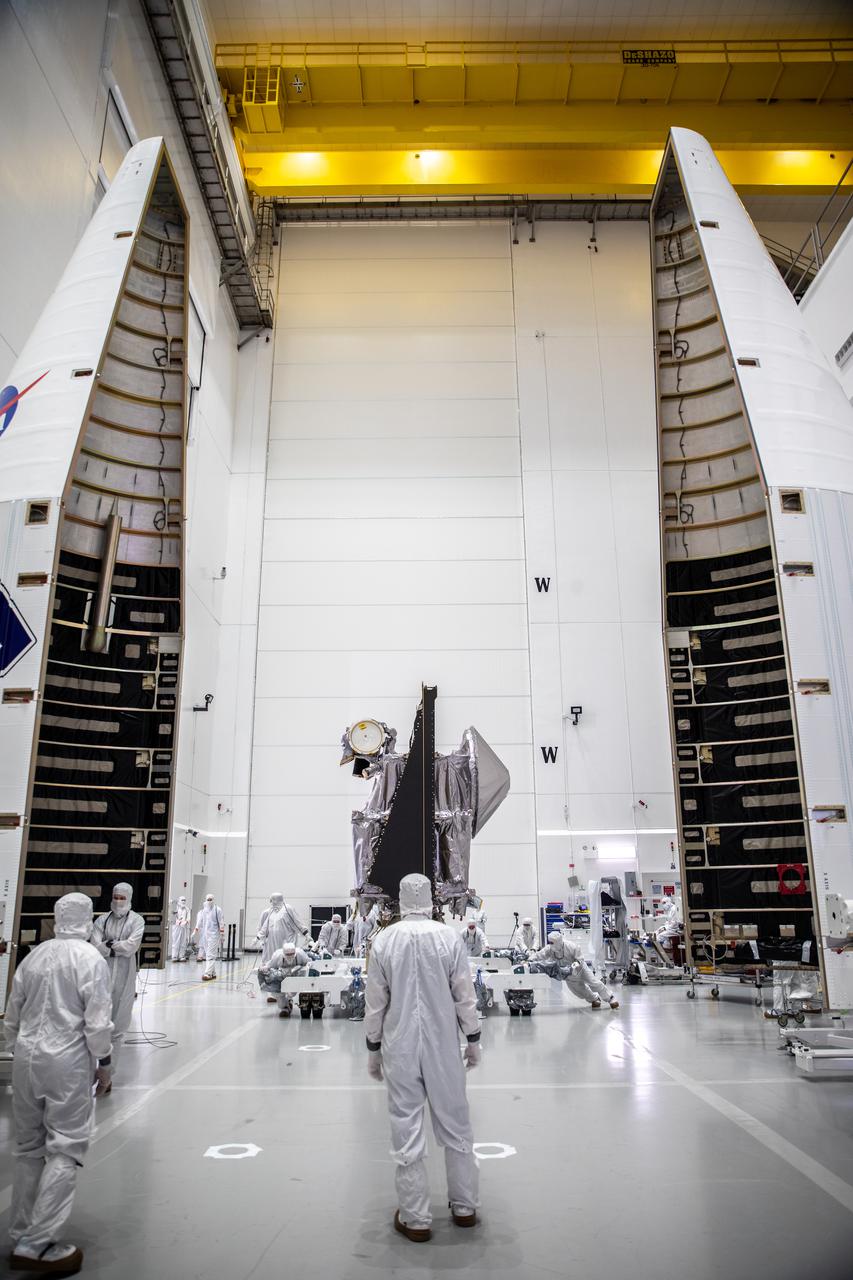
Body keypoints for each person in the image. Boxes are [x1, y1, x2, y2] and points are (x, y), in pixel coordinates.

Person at [365, 873, 481, 1243]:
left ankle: (416, 1218)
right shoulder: (449, 937)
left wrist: (372, 1048)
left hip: (399, 1046)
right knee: (455, 1121)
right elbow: (465, 994)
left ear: (400, 899)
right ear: (431, 899)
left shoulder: (384, 940)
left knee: (406, 1123)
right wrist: (473, 1038)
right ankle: (464, 1208)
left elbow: (375, 1003)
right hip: (444, 1044)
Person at [5, 892, 113, 1275]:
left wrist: (15, 1051)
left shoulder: (34, 956)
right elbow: (97, 1024)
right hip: (65, 1064)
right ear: (88, 919)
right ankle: (37, 1244)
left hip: (25, 1060)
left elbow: (12, 1014)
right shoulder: (90, 959)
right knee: (65, 1148)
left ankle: (21, 1232)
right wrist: (105, 1063)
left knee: (29, 1147)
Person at [90, 882, 145, 1079]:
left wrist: (109, 946)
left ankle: (107, 1073)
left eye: (122, 897)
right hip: (102, 974)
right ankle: (92, 1069)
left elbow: (131, 946)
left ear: (129, 898)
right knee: (95, 1022)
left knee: (119, 1024)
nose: (118, 901)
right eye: (116, 897)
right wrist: (113, 947)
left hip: (125, 975)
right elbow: (95, 946)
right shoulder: (102, 920)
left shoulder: (137, 921)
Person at [532, 930, 619, 1010]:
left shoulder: (571, 946)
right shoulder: (549, 949)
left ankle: (610, 998)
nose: (551, 944)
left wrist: (574, 966)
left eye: (553, 942)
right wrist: (529, 959)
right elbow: (539, 955)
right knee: (578, 991)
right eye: (550, 942)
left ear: (559, 941)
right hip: (567, 974)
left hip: (581, 969)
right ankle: (594, 999)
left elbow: (580, 959)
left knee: (594, 982)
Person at [259, 942, 310, 1017]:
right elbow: (270, 966)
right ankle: (284, 1008)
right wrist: (264, 968)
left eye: (291, 954)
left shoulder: (300, 954)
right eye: (287, 955)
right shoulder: (277, 956)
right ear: (283, 953)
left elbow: (309, 962)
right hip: (281, 976)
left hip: (296, 976)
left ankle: (289, 999)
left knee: (293, 989)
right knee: (279, 993)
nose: (290, 957)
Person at [193, 894, 225, 981]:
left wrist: (222, 935)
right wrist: (195, 930)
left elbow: (221, 922)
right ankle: (213, 973)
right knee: (208, 954)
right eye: (208, 899)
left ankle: (207, 973)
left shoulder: (217, 910)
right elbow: (200, 921)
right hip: (206, 935)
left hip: (214, 935)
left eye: (211, 899)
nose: (209, 901)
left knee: (210, 954)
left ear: (213, 900)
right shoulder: (204, 910)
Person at [170, 895, 191, 962]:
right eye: (182, 900)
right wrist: (178, 922)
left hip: (184, 927)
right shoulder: (175, 908)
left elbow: (188, 917)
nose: (183, 901)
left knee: (183, 942)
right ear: (179, 900)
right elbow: (173, 916)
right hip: (176, 927)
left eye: (184, 900)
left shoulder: (187, 909)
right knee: (176, 941)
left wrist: (186, 921)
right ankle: (174, 956)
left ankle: (181, 956)